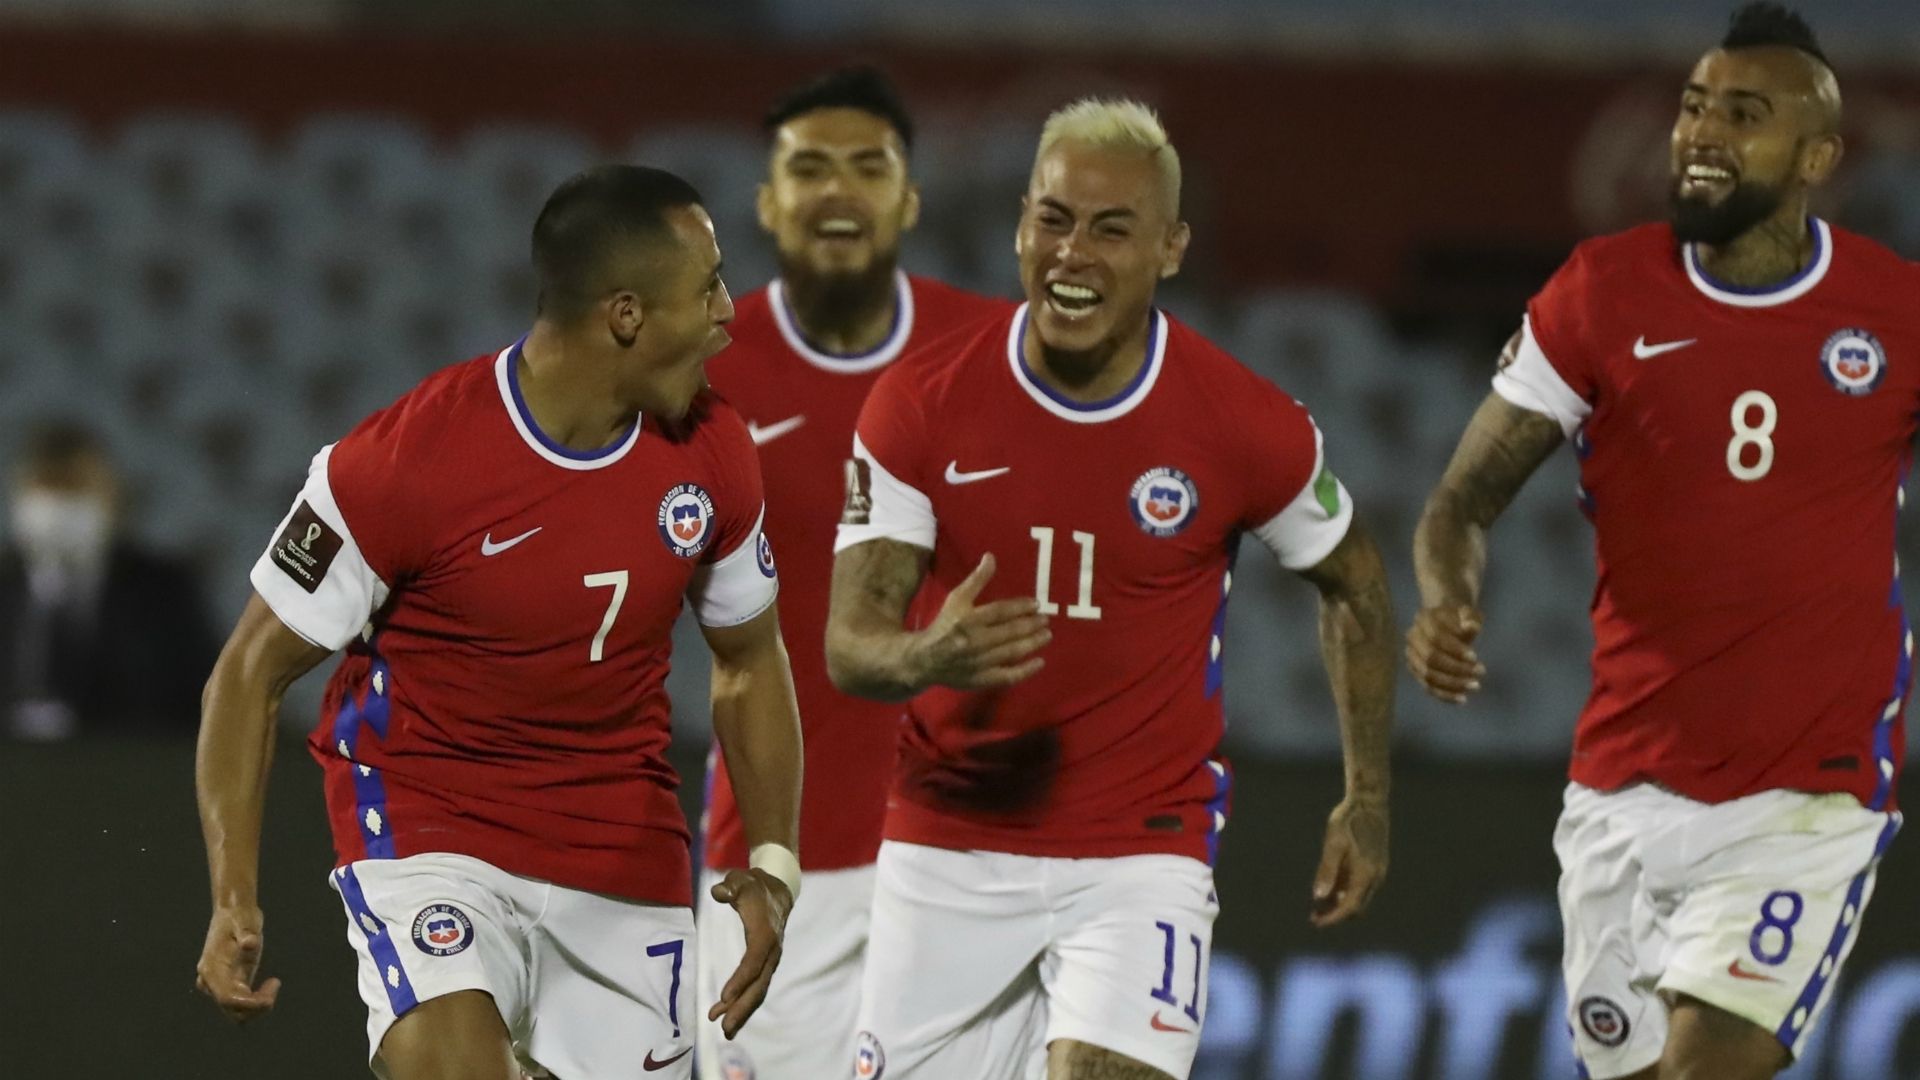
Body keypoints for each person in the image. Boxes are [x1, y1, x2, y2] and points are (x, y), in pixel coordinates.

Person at [193, 165, 804, 1080]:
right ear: (627, 315)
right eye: (708, 286)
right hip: (431, 824)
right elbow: (247, 673)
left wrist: (774, 864)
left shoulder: (714, 455)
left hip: (621, 849)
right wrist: (234, 899)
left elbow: (750, 662)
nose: (728, 311)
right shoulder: (405, 462)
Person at [825, 98, 1395, 1080]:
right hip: (949, 838)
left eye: (1110, 228)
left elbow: (1356, 584)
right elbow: (850, 643)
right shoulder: (922, 404)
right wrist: (927, 656)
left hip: (1143, 848)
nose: (1072, 253)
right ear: (1019, 224)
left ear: (1171, 247)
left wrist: (1369, 795)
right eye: (1053, 219)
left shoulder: (1243, 424)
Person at [1406, 6, 1913, 1078]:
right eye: (1693, 106)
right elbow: (1460, 500)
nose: (1703, 133)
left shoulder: (1895, 312)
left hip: (1803, 799)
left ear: (1818, 155)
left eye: (1745, 113)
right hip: (1621, 790)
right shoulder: (1600, 293)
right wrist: (1449, 596)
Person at [694, 66, 1007, 1080]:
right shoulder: (701, 374)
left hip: (975, 852)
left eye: (868, 169)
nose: (838, 192)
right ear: (768, 202)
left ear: (909, 198)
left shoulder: (995, 357)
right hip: (783, 864)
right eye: (809, 169)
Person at [0, 419, 218, 740]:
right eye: (48, 488)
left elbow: (199, 698)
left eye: (77, 488)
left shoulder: (164, 590)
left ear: (110, 498)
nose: (61, 506)